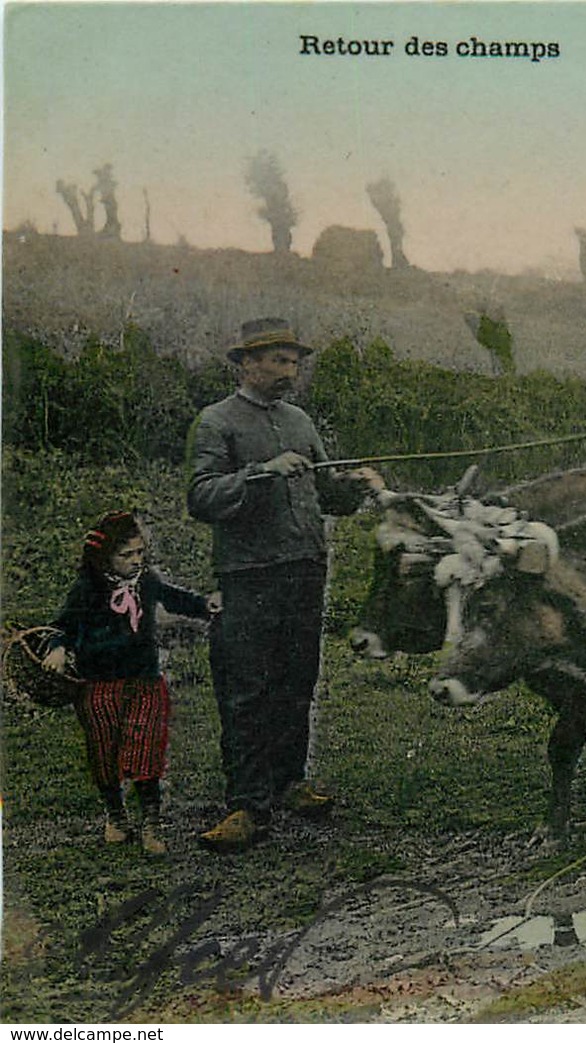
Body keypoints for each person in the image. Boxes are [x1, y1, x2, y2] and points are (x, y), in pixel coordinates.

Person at [187, 318, 381, 852]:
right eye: (278, 361)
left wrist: (356, 486)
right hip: (248, 575)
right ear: (246, 364)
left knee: (298, 681)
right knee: (247, 688)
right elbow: (201, 497)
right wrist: (263, 472)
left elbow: (327, 496)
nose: (289, 371)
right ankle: (247, 806)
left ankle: (290, 783)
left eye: (294, 362)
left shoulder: (299, 421)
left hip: (306, 568)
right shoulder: (216, 422)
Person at [43, 511, 220, 854]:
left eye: (140, 552)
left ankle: (151, 821)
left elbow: (173, 597)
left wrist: (204, 605)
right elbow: (62, 625)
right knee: (104, 749)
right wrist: (58, 648)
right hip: (99, 684)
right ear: (104, 557)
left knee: (146, 744)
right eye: (127, 555)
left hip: (143, 679)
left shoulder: (145, 582)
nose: (136, 561)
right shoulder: (88, 589)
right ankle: (116, 814)